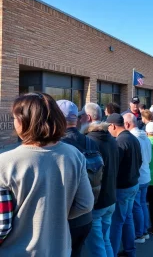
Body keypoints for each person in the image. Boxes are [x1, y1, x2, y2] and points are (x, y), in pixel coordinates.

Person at [0, 93, 94, 256]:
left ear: (23, 121)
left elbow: (2, 225)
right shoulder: (74, 155)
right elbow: (85, 204)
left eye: (14, 118)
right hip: (60, 249)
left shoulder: (5, 163)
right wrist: (54, 215)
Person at [57, 100, 100, 257]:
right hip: (86, 218)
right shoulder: (90, 142)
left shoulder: (59, 147)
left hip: (66, 219)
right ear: (77, 119)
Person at [79, 103, 119, 257]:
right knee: (105, 240)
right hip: (110, 198)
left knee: (97, 247)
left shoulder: (89, 141)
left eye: (81, 115)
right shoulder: (111, 137)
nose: (79, 118)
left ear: (88, 117)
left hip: (97, 203)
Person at [107, 113, 142, 257]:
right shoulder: (133, 138)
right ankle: (130, 250)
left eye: (108, 126)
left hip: (123, 187)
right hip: (133, 184)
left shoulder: (120, 141)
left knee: (117, 223)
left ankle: (113, 253)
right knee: (127, 218)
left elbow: (115, 166)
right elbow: (140, 161)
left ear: (113, 126)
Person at [123, 113, 152, 244]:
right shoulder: (145, 136)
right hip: (146, 174)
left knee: (136, 206)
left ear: (127, 124)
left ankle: (139, 233)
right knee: (142, 205)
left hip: (138, 176)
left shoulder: (132, 138)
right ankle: (144, 230)